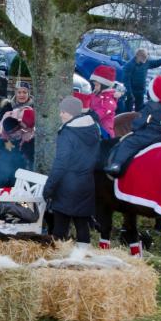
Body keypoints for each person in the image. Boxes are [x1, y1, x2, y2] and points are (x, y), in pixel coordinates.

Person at [43, 96, 100, 252]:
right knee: (82, 224)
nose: (60, 114)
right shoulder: (93, 129)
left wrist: (49, 188)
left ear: (72, 112)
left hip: (67, 185)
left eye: (64, 111)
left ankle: (57, 255)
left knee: (60, 226)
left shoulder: (68, 132)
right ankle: (82, 256)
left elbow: (60, 164)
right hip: (86, 182)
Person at [104, 75, 161, 178]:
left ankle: (116, 165)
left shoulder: (151, 106)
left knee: (127, 143)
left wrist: (134, 127)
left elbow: (141, 121)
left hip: (147, 136)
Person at [0, 105, 36, 188]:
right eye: (12, 134)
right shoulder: (1, 140)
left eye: (17, 131)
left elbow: (28, 158)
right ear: (8, 134)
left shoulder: (28, 140)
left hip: (20, 176)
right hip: (0, 175)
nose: (16, 135)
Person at [121, 48, 161, 112]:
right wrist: (129, 93)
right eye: (143, 57)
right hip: (131, 91)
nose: (145, 58)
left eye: (146, 56)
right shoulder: (129, 65)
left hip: (140, 91)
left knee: (140, 110)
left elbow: (157, 62)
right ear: (137, 55)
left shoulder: (146, 62)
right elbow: (126, 81)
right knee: (128, 110)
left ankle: (138, 118)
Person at [74, 65, 120, 139]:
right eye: (94, 85)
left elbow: (96, 115)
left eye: (96, 85)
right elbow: (86, 100)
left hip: (103, 132)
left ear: (104, 85)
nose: (95, 87)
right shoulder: (96, 93)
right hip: (92, 126)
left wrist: (84, 115)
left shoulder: (110, 102)